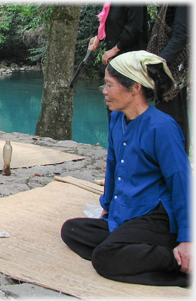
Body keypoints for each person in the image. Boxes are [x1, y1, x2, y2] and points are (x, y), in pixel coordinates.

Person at [61, 51, 191, 287]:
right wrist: (107, 207)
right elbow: (112, 165)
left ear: (134, 88)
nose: (104, 91)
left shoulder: (162, 127)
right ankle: (128, 247)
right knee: (71, 230)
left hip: (154, 214)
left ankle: (174, 260)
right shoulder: (116, 120)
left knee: (104, 257)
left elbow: (181, 181)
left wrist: (187, 239)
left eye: (110, 85)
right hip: (126, 211)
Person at [147, 4, 190, 154]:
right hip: (164, 68)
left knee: (172, 122)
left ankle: (176, 167)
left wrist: (159, 64)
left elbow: (182, 34)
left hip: (173, 71)